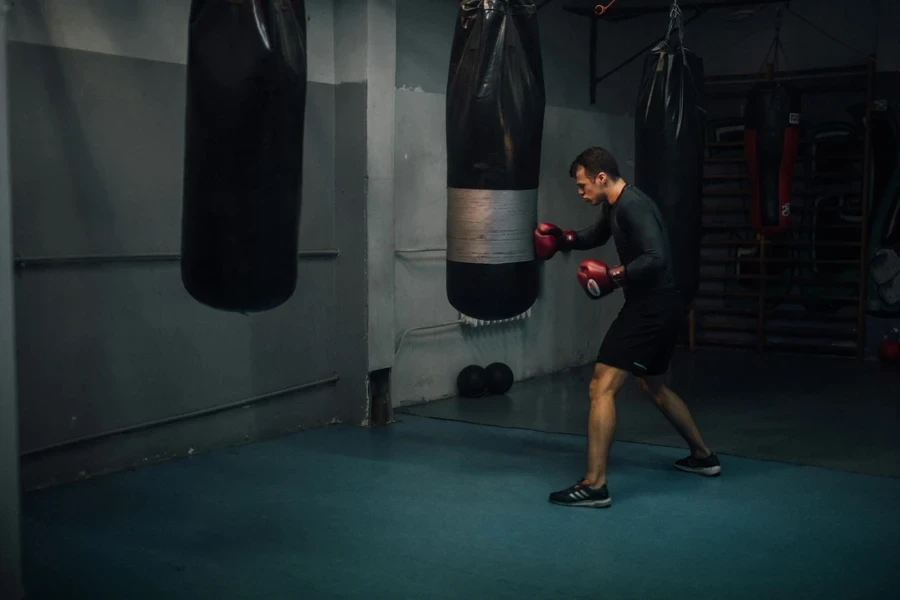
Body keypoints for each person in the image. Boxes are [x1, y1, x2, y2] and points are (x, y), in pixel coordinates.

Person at [533, 146, 720, 509]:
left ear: (602, 177)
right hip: (663, 304)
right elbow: (598, 235)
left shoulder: (633, 204)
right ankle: (703, 457)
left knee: (600, 385)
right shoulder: (615, 205)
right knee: (654, 386)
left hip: (650, 307)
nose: (581, 191)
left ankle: (595, 485)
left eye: (583, 184)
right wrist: (564, 239)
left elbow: (656, 256)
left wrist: (615, 276)